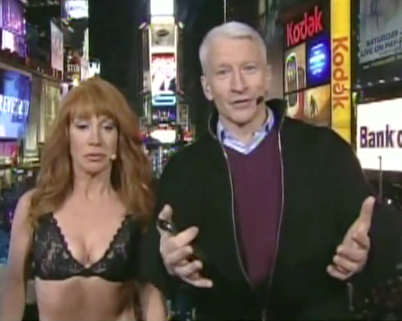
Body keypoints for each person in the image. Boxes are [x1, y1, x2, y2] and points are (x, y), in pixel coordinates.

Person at [142, 22, 402, 319]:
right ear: (207, 87)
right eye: (223, 72)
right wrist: (166, 261)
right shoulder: (184, 170)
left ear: (266, 77)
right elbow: (156, 251)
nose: (238, 85)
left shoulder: (324, 150)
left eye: (249, 68)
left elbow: (377, 226)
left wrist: (368, 252)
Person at [0, 78, 166, 321]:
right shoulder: (35, 207)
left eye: (107, 127)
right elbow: (14, 288)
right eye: (83, 126)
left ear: (118, 140)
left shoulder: (137, 207)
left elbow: (151, 294)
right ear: (67, 135)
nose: (95, 140)